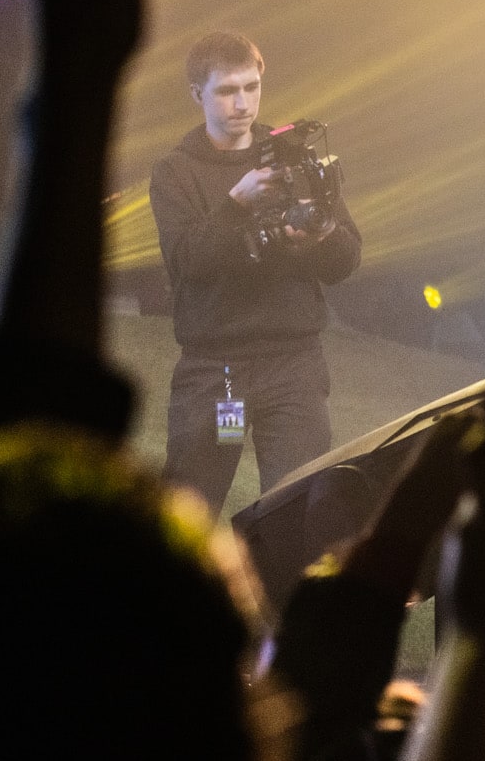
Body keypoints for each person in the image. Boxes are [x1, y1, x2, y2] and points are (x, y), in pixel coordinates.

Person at [150, 31, 361, 516]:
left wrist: (319, 236)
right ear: (196, 94)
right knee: (191, 504)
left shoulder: (293, 157)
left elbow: (345, 260)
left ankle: (275, 591)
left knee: (297, 505)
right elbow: (188, 260)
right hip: (220, 373)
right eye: (226, 91)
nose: (241, 103)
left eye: (251, 87)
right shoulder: (177, 172)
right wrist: (236, 204)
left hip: (293, 368)